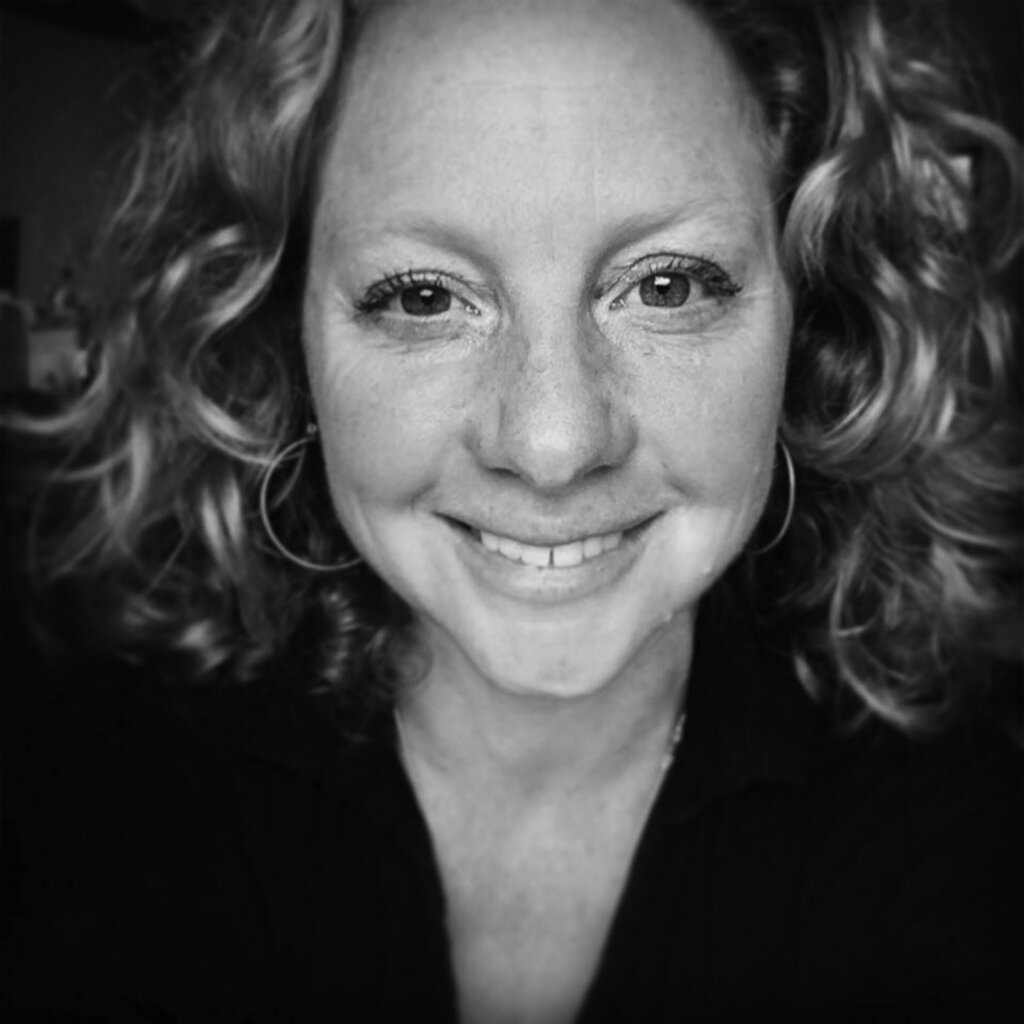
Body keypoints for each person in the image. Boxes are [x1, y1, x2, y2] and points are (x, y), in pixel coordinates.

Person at [1, 0, 1021, 1021]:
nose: (551, 447)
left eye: (667, 284)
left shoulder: (952, 832)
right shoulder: (103, 799)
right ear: (287, 333)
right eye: (423, 297)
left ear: (808, 316)